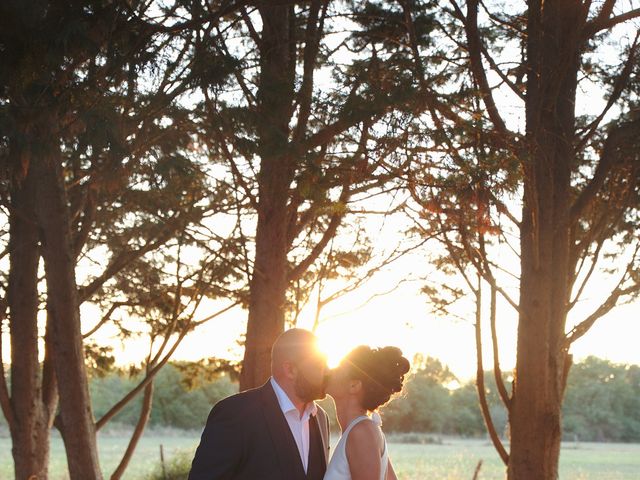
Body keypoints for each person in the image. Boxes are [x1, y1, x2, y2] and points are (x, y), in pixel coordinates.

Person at [188, 328, 331, 480]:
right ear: (290, 370)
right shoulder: (235, 414)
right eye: (319, 366)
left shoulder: (321, 418)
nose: (328, 372)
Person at [324, 345, 410, 480]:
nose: (330, 370)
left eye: (340, 367)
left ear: (354, 386)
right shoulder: (362, 431)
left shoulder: (362, 433)